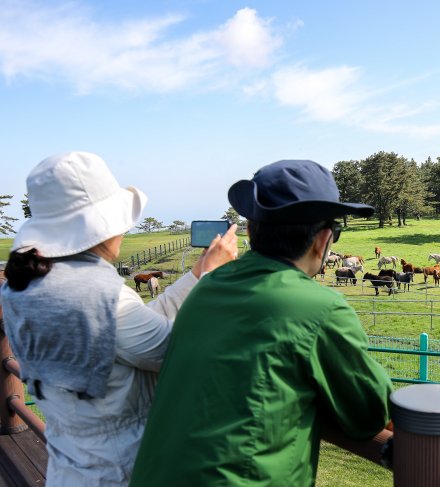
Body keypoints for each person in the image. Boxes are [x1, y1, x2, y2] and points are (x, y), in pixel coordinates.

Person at [131, 160, 393, 486]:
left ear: (251, 231)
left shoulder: (208, 287)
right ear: (323, 240)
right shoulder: (322, 309)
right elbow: (369, 414)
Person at [0, 151, 238, 487]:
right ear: (101, 225)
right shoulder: (98, 293)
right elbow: (174, 351)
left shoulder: (29, 285)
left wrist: (198, 273)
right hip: (122, 472)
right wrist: (213, 278)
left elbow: (128, 330)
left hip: (69, 467)